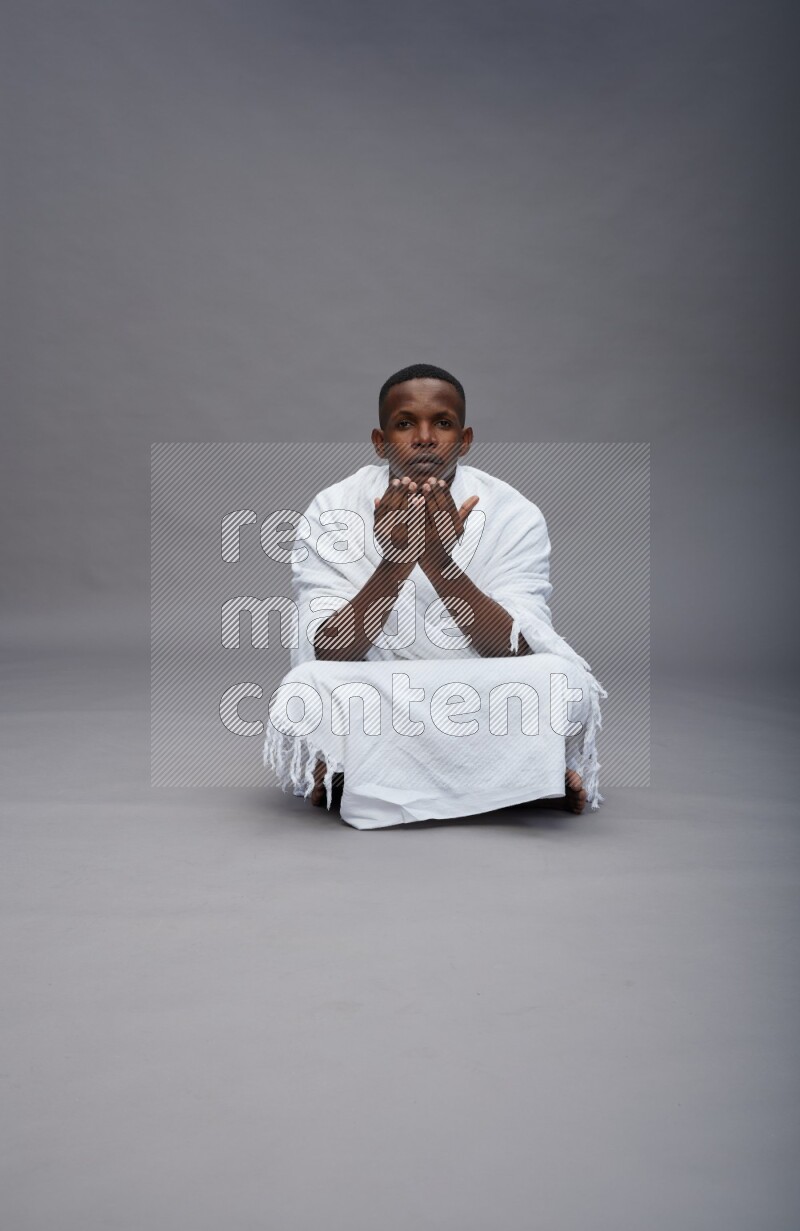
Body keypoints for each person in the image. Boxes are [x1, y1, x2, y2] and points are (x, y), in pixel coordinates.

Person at [263, 363, 605, 830]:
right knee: (312, 687)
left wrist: (440, 562)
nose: (424, 437)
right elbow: (328, 648)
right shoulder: (332, 508)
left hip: (480, 688)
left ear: (464, 440)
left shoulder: (513, 511)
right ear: (380, 441)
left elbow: (514, 647)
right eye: (405, 423)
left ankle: (359, 779)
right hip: (378, 689)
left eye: (442, 423)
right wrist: (397, 560)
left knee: (560, 680)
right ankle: (520, 784)